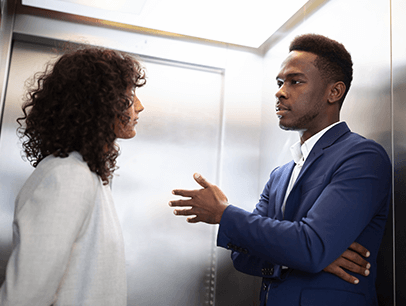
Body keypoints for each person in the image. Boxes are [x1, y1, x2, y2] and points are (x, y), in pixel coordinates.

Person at [169, 34, 391, 306]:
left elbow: (311, 246)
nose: (280, 91)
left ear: (334, 92)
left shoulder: (362, 157)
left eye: (295, 81)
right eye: (279, 82)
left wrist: (224, 213)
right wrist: (303, 258)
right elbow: (243, 256)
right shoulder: (280, 174)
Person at [0, 47, 146, 305]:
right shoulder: (67, 176)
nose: (140, 106)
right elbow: (26, 295)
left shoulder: (89, 176)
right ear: (97, 102)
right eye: (129, 96)